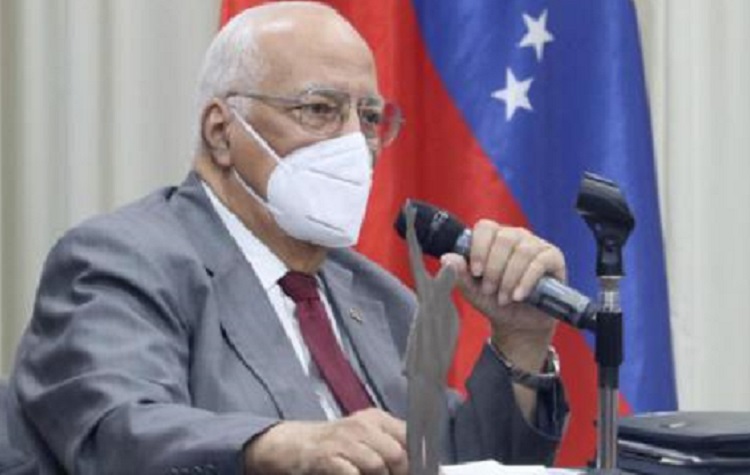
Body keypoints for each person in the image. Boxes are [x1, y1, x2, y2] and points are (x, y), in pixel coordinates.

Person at [8, 2, 569, 474]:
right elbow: (115, 433)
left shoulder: (378, 297)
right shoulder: (124, 260)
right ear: (221, 132)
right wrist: (283, 444)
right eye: (320, 110)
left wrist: (520, 342)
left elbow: (463, 463)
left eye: (369, 118)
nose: (355, 143)